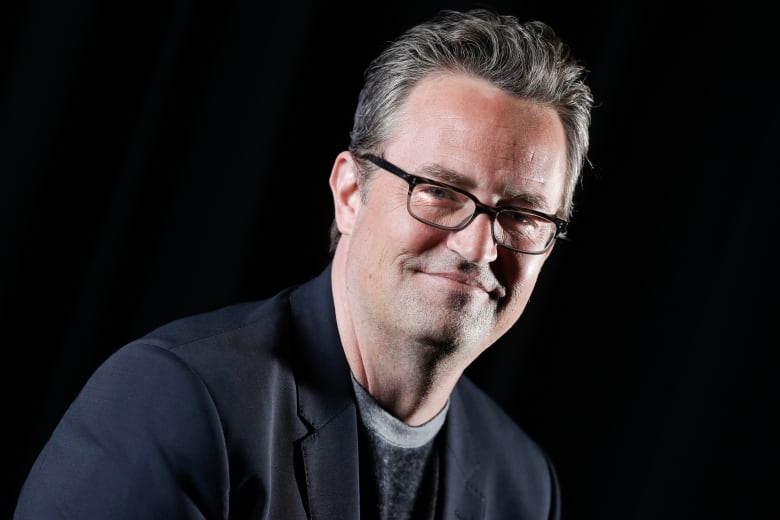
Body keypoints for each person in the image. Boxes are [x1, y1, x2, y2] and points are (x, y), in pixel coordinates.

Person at [14, 8, 593, 520]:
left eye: (523, 214)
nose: (477, 247)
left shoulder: (526, 486)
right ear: (350, 193)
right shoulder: (174, 401)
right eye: (439, 190)